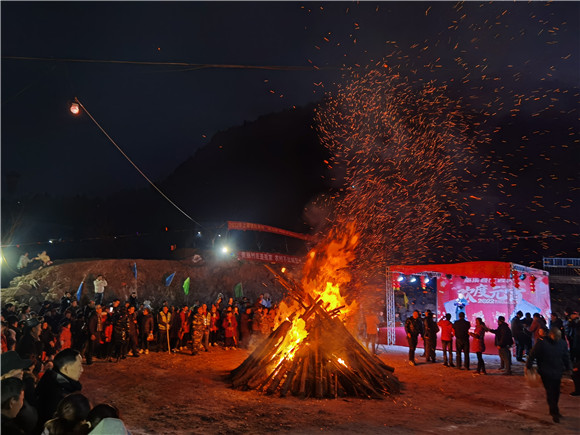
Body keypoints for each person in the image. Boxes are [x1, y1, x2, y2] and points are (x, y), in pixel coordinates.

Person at [526, 327, 572, 423]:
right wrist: (529, 366)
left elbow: (566, 357)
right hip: (546, 372)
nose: (557, 338)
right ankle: (554, 411)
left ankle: (554, 409)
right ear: (550, 335)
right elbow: (532, 354)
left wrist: (569, 368)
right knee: (551, 391)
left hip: (557, 371)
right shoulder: (542, 343)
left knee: (556, 391)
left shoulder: (562, 343)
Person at [35, 348, 83, 427]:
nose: (82, 370)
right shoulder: (59, 395)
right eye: (79, 366)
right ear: (66, 368)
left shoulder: (51, 379)